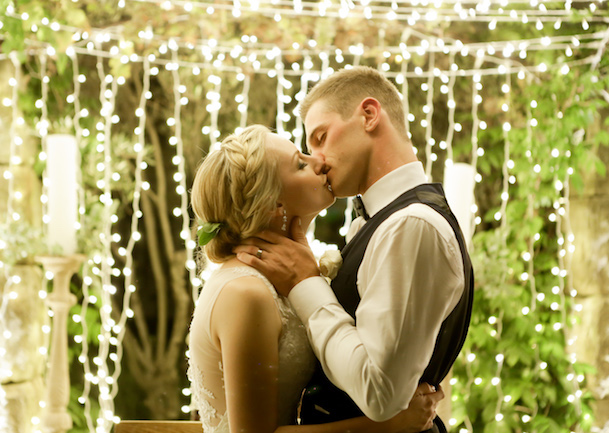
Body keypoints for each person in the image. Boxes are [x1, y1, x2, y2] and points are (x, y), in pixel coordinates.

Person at [234, 67, 474, 433]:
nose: (319, 160)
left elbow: (379, 394)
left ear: (369, 115)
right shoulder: (381, 223)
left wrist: (305, 283)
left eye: (321, 137)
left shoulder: (412, 226)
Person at [188, 125, 445, 433]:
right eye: (301, 163)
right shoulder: (245, 293)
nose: (319, 162)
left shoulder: (279, 281)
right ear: (273, 205)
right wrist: (388, 424)